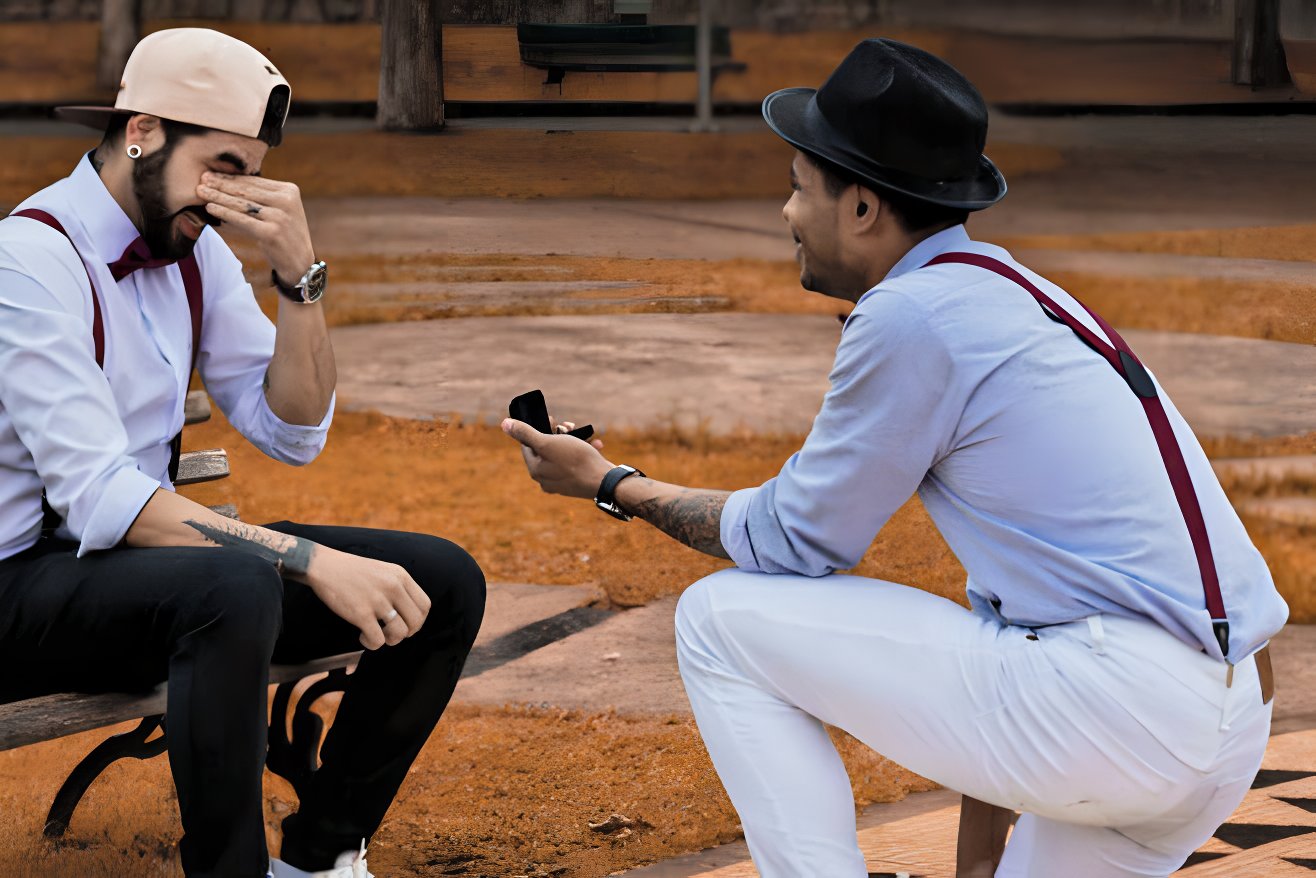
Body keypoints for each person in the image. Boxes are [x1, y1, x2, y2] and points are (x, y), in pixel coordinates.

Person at [503, 39, 1286, 877]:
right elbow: (1016, 621)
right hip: (1223, 722)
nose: (787, 213)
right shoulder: (1022, 296)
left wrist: (613, 484)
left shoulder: (915, 313)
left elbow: (794, 540)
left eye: (800, 187)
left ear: (864, 208)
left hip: (1116, 710)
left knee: (718, 620)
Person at [0, 29, 484, 878]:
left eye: (251, 170)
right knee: (234, 581)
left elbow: (293, 432)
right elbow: (99, 498)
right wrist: (309, 560)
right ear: (143, 130)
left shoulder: (196, 250)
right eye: (222, 163)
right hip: (19, 591)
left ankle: (323, 856)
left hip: (135, 582)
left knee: (440, 582)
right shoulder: (28, 261)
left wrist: (299, 280)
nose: (237, 192)